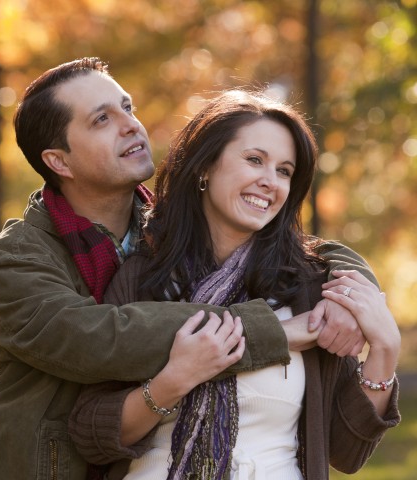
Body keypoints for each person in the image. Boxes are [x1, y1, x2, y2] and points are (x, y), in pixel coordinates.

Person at [0, 57, 381, 480]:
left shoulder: (162, 236)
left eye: (127, 107)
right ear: (59, 161)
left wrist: (351, 293)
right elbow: (105, 337)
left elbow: (303, 250)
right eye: (102, 119)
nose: (130, 125)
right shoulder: (15, 261)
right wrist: (276, 330)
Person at [68, 90, 401, 479]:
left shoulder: (310, 288)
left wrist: (385, 351)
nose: (269, 182)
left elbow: (347, 453)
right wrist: (174, 380)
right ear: (205, 166)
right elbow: (90, 433)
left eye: (284, 171)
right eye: (254, 160)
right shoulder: (142, 277)